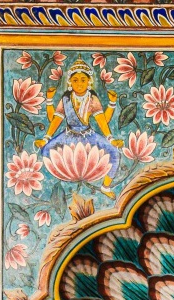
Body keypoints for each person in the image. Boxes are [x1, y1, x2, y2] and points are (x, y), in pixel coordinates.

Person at [35, 58, 123, 197]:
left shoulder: (92, 99)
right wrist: (45, 139)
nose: (79, 84)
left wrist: (112, 139)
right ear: (70, 82)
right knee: (46, 151)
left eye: (83, 80)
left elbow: (102, 121)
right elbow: (55, 120)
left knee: (115, 153)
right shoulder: (66, 99)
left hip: (88, 135)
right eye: (75, 80)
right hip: (68, 135)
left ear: (89, 82)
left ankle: (105, 187)